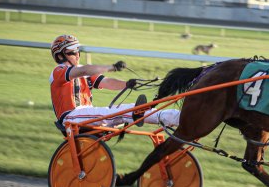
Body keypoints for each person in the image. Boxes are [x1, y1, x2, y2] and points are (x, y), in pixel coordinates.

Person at [49, 34, 179, 132]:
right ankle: (173, 118)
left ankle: (174, 117)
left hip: (85, 116)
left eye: (78, 51)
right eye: (72, 52)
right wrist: (112, 67)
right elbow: (84, 70)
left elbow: (107, 82)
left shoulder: (83, 72)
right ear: (60, 56)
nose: (77, 55)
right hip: (71, 118)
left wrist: (127, 84)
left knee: (133, 108)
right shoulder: (59, 71)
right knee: (124, 111)